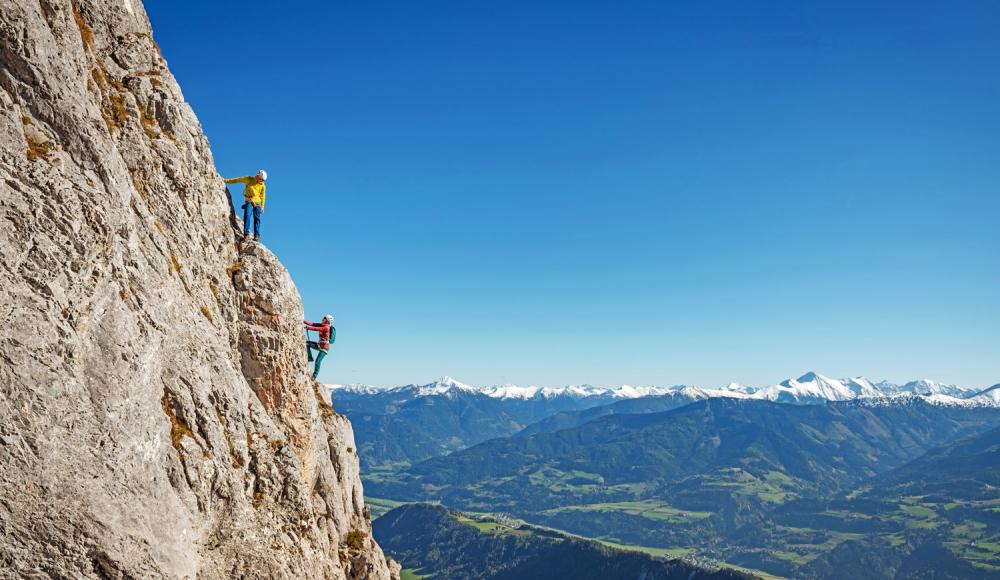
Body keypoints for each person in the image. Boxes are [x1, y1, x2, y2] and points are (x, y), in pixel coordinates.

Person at [224, 170, 268, 241]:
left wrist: (262, 206)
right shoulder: (248, 179)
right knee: (247, 215)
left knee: (257, 218)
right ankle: (246, 234)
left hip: (258, 203)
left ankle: (256, 235)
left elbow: (263, 196)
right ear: (258, 176)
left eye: (263, 181)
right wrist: (225, 181)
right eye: (261, 180)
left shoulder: (263, 186)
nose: (262, 182)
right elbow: (237, 180)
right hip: (249, 201)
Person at [304, 315, 336, 380]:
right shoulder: (322, 325)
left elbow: (317, 329)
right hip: (319, 345)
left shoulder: (326, 327)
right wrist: (302, 320)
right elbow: (312, 324)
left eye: (324, 318)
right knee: (307, 343)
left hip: (325, 348)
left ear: (327, 320)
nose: (322, 319)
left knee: (318, 361)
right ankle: (310, 358)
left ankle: (314, 376)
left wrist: (309, 328)